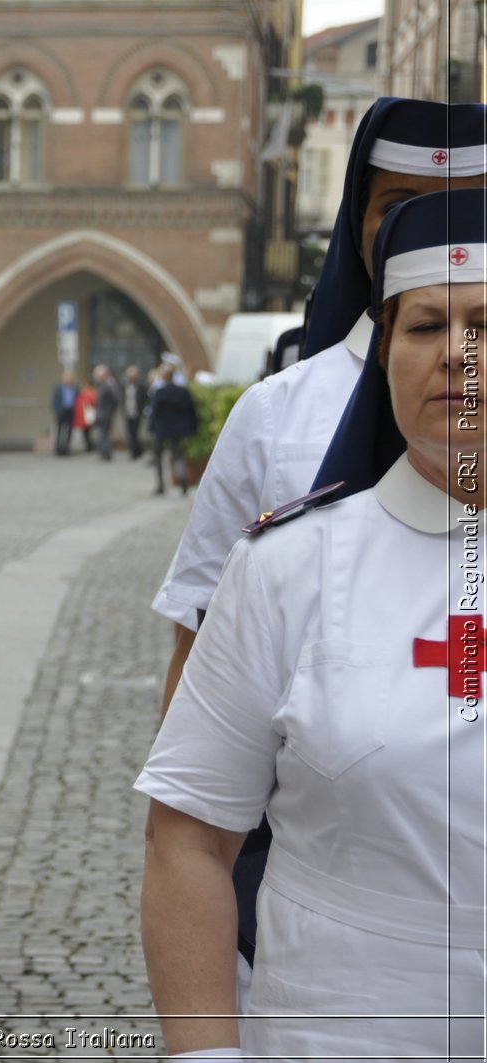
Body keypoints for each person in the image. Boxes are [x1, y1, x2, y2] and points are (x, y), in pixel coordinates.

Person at [138, 187, 487, 1062]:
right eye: (424, 326)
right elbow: (188, 838)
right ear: (383, 357)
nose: (457, 354)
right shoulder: (285, 568)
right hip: (340, 1025)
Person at [147, 365, 196, 495]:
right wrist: (192, 427)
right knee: (178, 456)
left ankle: (161, 485)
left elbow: (154, 412)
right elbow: (191, 411)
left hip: (161, 429)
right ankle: (182, 481)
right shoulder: (183, 391)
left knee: (158, 457)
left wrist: (151, 427)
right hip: (178, 430)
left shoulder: (160, 392)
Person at [93, 365, 121, 461]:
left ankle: (105, 453)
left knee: (104, 434)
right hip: (103, 413)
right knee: (103, 434)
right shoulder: (104, 384)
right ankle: (104, 452)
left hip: (106, 413)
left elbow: (115, 398)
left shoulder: (109, 384)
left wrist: (110, 410)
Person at [122, 365, 147, 460]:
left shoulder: (141, 386)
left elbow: (144, 399)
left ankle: (136, 451)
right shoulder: (125, 386)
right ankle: (135, 450)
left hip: (137, 412)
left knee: (135, 433)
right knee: (130, 433)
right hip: (128, 412)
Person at [51, 370, 78, 456]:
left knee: (69, 431)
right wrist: (56, 411)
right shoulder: (58, 388)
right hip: (61, 411)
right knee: (59, 431)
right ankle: (59, 449)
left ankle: (66, 448)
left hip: (71, 411)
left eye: (70, 377)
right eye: (67, 377)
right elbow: (54, 401)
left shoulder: (75, 388)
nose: (68, 379)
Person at [73, 377, 98, 454]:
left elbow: (92, 402)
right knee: (86, 432)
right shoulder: (83, 393)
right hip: (84, 416)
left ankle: (90, 446)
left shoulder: (91, 392)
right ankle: (89, 446)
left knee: (89, 432)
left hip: (88, 415)